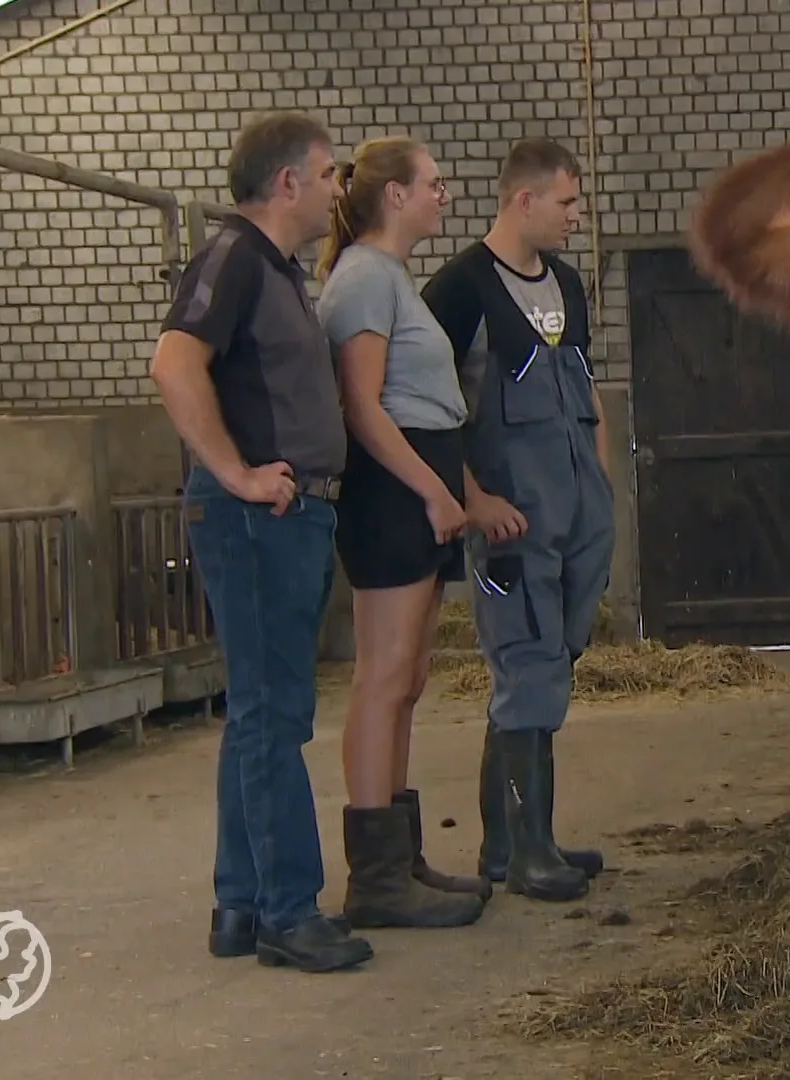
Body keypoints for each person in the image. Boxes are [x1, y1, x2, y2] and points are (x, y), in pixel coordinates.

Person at [148, 111, 372, 973]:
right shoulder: (234, 258)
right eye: (326, 176)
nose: (334, 191)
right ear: (286, 184)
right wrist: (239, 474)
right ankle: (287, 909)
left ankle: (240, 903)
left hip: (290, 513)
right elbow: (174, 364)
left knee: (262, 714)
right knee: (273, 716)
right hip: (257, 516)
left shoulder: (274, 270)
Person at [420, 138, 613, 904]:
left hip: (574, 516)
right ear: (522, 200)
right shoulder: (461, 290)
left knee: (551, 664)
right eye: (566, 202)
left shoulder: (566, 283)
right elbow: (430, 414)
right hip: (507, 524)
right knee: (525, 667)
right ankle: (528, 852)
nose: (576, 216)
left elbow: (586, 388)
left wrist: (597, 479)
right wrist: (473, 499)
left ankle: (511, 843)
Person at [313, 135, 490, 930]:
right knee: (384, 675)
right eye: (433, 183)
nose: (442, 195)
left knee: (410, 674)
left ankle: (400, 850)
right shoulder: (361, 281)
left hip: (423, 475)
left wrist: (453, 487)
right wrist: (431, 491)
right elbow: (363, 407)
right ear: (394, 196)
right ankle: (376, 878)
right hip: (394, 486)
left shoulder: (391, 278)